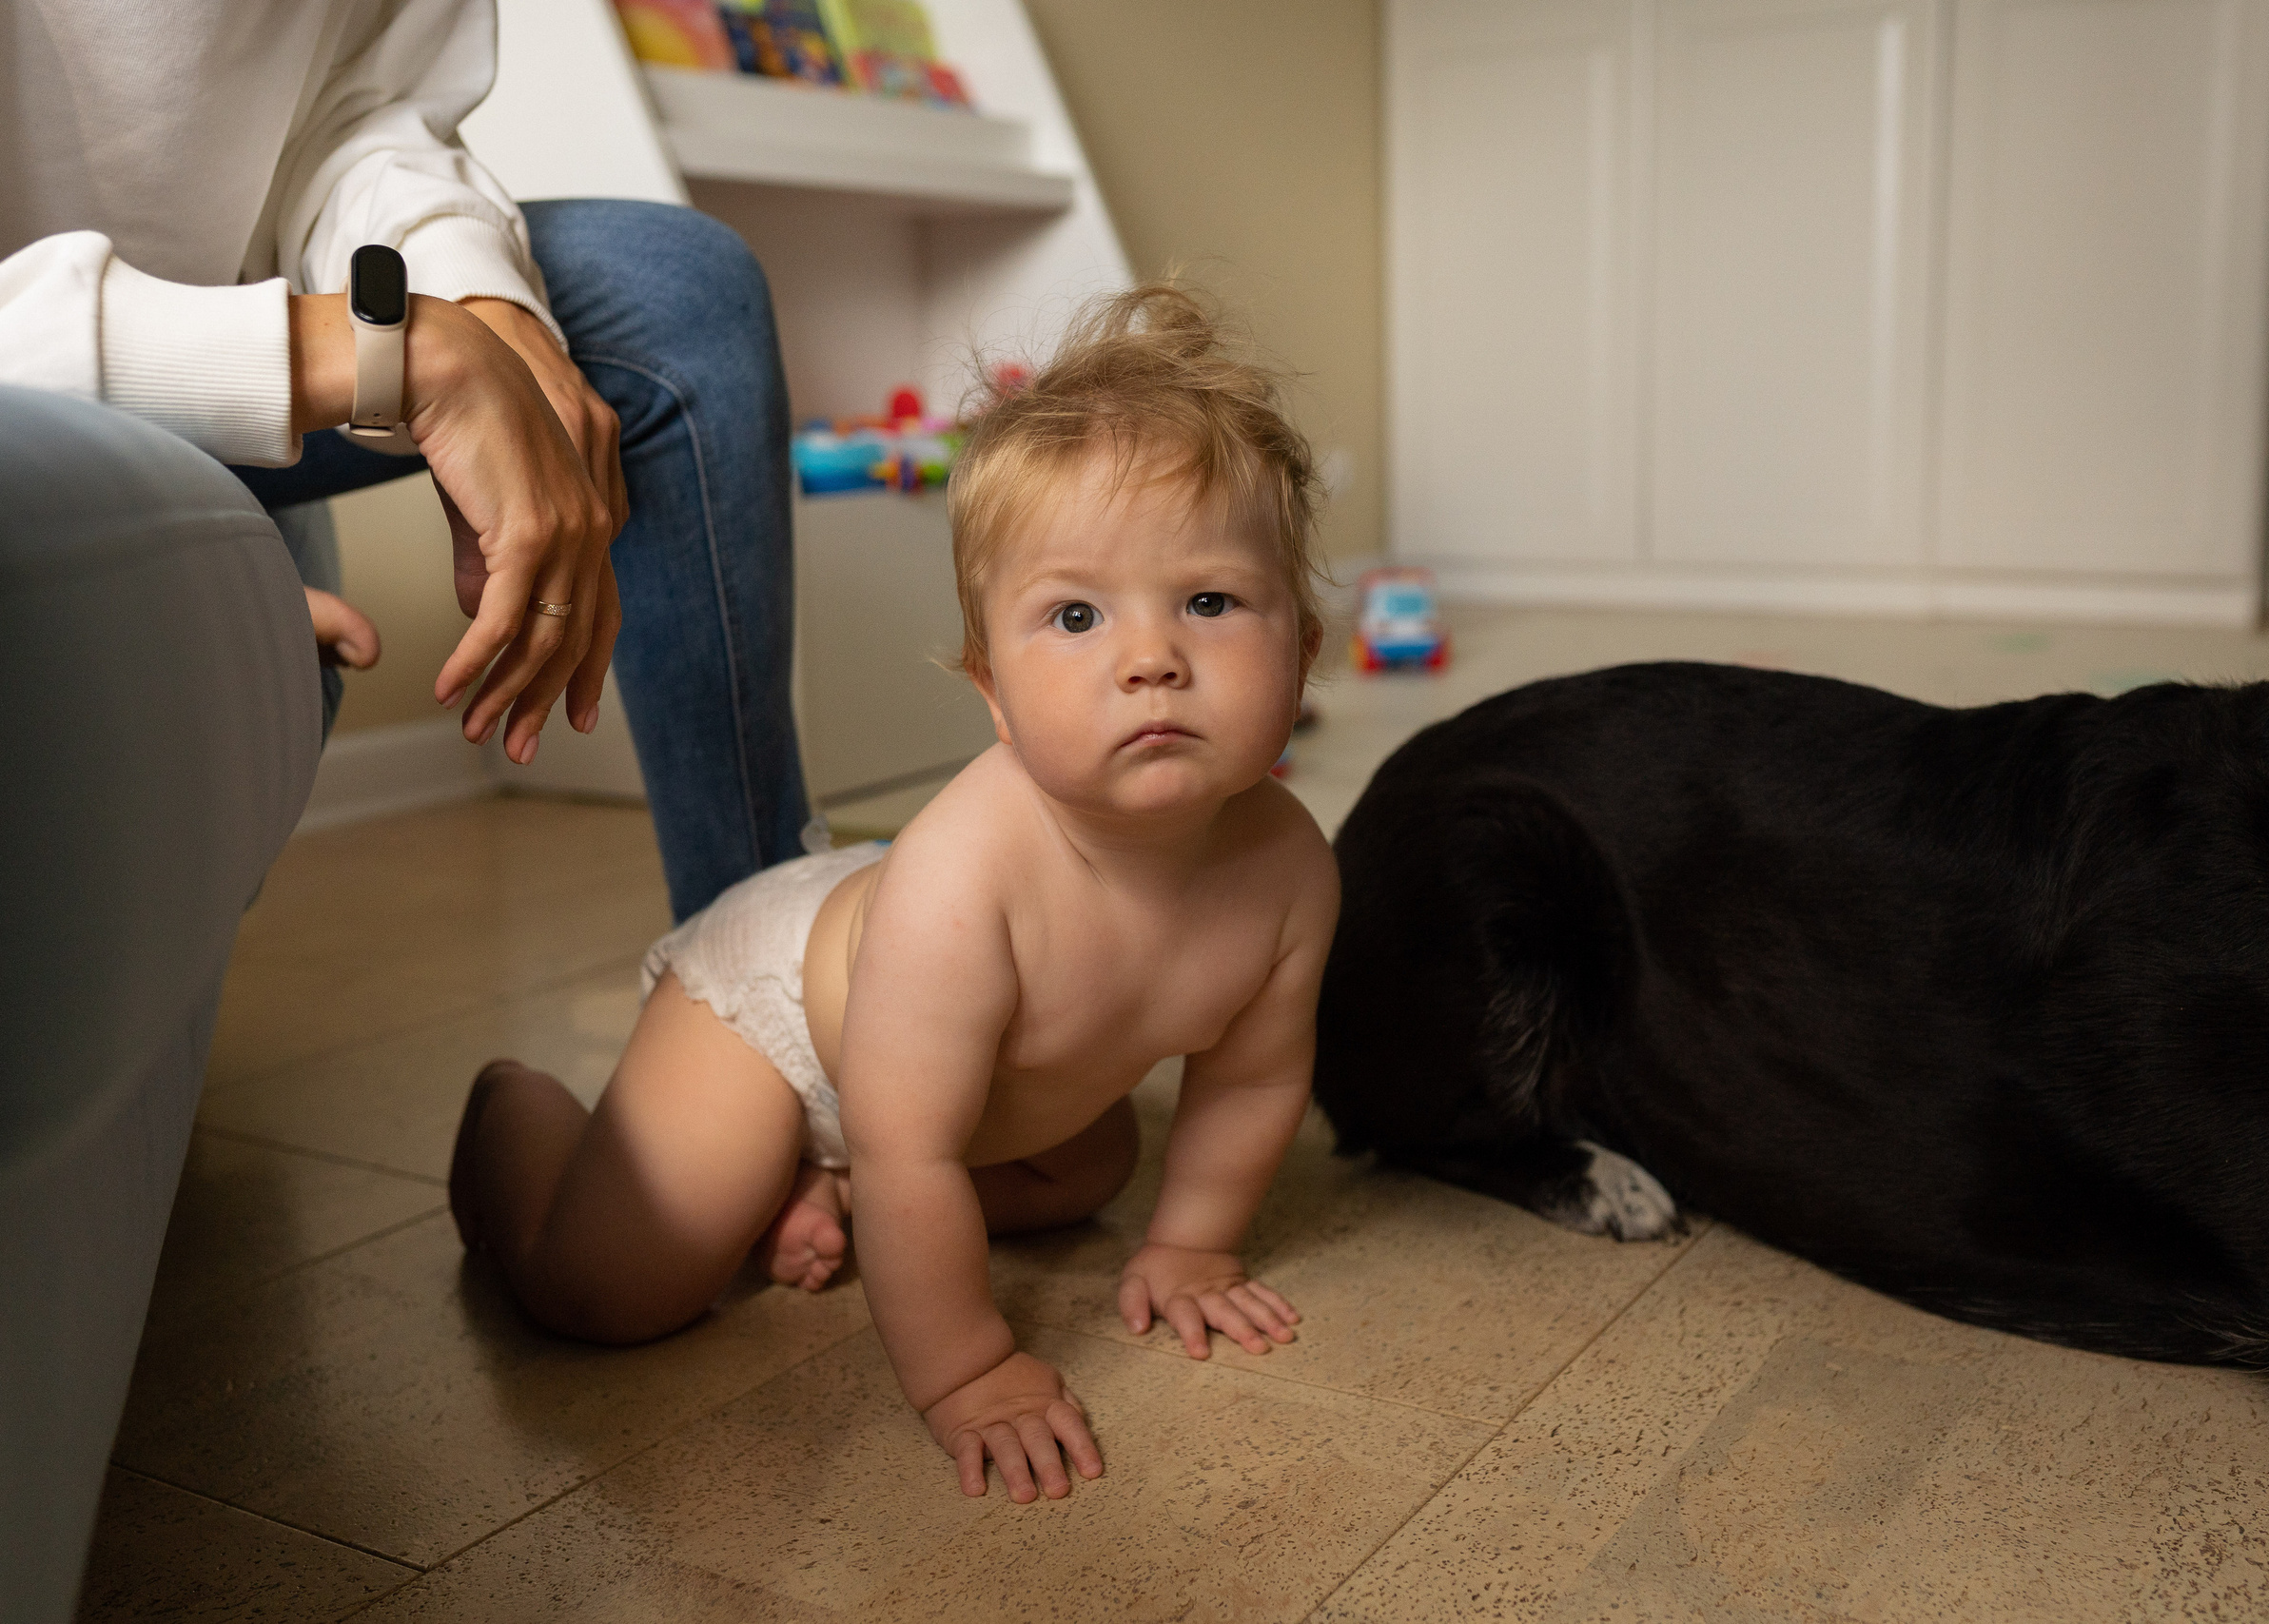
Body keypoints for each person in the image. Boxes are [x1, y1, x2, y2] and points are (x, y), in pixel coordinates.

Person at [446, 285, 1340, 1503]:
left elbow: (1252, 1079)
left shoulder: (1289, 869)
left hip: (947, 1083)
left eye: (1211, 601)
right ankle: (513, 1114)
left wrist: (1191, 1244)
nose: (1151, 659)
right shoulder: (966, 879)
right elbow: (910, 1149)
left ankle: (820, 1184)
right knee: (614, 1289)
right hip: (780, 1020)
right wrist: (969, 1369)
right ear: (991, 691)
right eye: (1076, 615)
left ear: (1304, 651)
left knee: (1087, 1171)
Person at [0, 0, 811, 920]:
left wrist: (481, 303)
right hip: (41, 393)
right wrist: (384, 354)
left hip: (230, 368)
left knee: (684, 295)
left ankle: (748, 955)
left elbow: (361, 108)